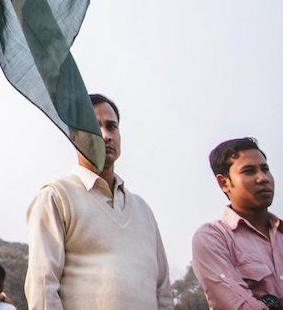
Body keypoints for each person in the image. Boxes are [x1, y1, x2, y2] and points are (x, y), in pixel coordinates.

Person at [25, 93, 173, 310]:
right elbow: (43, 287)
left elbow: (163, 292)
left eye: (112, 127)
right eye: (95, 126)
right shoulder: (56, 197)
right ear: (74, 136)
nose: (106, 135)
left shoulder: (143, 209)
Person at [191, 137, 282, 309]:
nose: (263, 178)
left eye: (265, 169)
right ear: (224, 183)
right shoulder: (213, 239)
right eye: (249, 171)